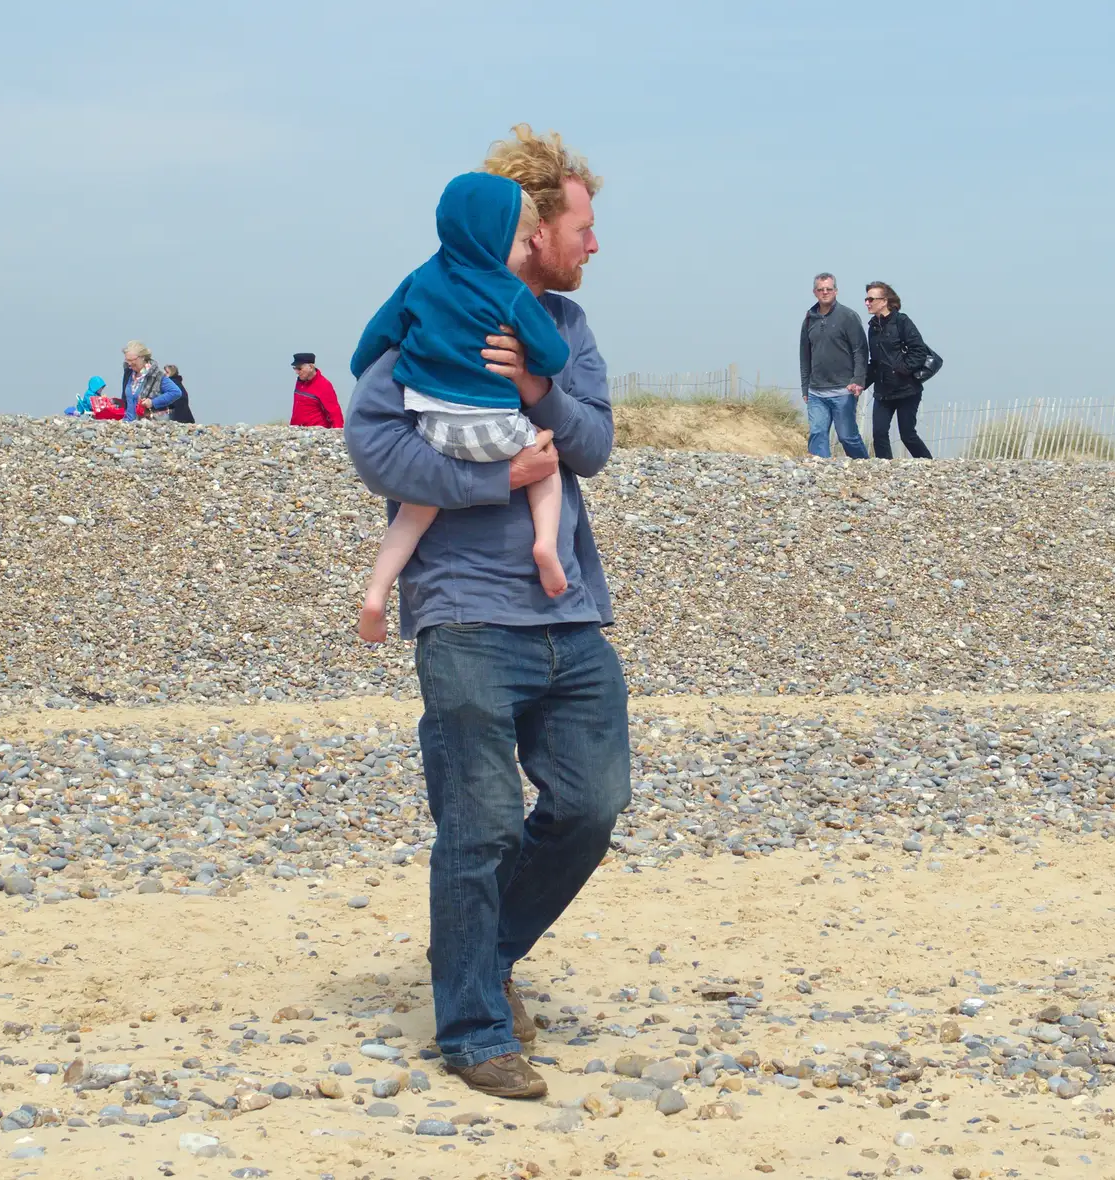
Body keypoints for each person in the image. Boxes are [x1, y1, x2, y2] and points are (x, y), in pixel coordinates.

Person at [343, 125, 628, 1102]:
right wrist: (490, 478)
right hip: (464, 612)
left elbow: (591, 445)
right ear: (533, 225)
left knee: (590, 806)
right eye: (582, 226)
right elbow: (372, 440)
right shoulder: (438, 307)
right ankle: (473, 1028)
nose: (593, 245)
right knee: (481, 825)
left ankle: (483, 954)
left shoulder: (569, 333)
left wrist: (533, 385)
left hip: (568, 610)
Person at [350, 173, 570, 643]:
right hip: (495, 427)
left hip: (433, 429)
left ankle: (376, 592)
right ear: (493, 238)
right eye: (520, 240)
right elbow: (554, 355)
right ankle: (546, 546)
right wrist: (529, 359)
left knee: (414, 511)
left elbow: (374, 340)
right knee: (544, 458)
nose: (528, 250)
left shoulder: (421, 279)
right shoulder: (506, 289)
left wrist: (362, 369)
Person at [799, 272, 869, 458]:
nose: (825, 292)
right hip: (816, 392)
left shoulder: (848, 316)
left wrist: (858, 380)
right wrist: (805, 386)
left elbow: (861, 350)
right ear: (814, 292)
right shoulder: (809, 318)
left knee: (847, 437)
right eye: (821, 289)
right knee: (817, 433)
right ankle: (820, 474)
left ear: (836, 291)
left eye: (829, 289)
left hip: (844, 390)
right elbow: (804, 355)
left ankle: (865, 467)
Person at [863, 282, 934, 459]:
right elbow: (875, 362)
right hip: (882, 392)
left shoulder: (902, 321)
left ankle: (929, 465)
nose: (867, 303)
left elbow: (919, 351)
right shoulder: (873, 327)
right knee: (879, 434)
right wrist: (859, 384)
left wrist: (901, 370)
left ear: (884, 301)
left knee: (907, 435)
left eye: (871, 299)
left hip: (907, 389)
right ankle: (885, 471)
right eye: (866, 299)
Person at [121, 341, 184, 421]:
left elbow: (176, 392)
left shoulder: (156, 375)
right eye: (127, 360)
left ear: (142, 357)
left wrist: (153, 402)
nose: (129, 364)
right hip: (128, 425)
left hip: (148, 426)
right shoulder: (129, 373)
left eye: (132, 360)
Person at [290, 354, 344, 427]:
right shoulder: (300, 382)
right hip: (297, 430)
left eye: (299, 368)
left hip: (316, 433)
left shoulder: (324, 385)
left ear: (311, 367)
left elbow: (334, 413)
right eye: (295, 368)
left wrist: (338, 434)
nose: (297, 372)